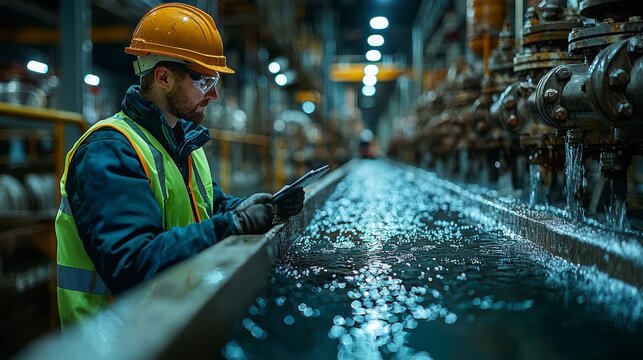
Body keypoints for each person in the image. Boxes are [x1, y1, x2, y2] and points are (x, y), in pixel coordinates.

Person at [54, 2, 304, 327]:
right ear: (163, 77)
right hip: (117, 340)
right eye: (204, 82)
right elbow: (132, 264)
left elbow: (210, 208)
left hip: (172, 323)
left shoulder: (185, 144)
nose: (213, 95)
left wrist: (263, 207)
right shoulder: (109, 150)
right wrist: (233, 225)